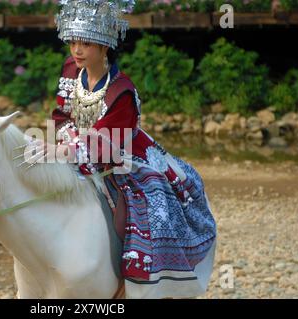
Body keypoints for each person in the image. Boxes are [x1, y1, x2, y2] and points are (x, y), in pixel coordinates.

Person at [50, 0, 217, 299]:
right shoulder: (70, 70)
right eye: (73, 42)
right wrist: (65, 140)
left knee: (151, 205)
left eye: (85, 43)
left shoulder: (121, 91)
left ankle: (141, 280)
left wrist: (70, 150)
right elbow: (62, 113)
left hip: (123, 155)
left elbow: (109, 143)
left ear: (104, 47)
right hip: (78, 147)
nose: (76, 50)